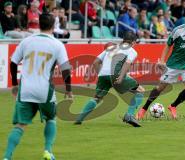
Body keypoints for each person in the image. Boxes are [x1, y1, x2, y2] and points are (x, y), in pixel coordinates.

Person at [2, 13, 73, 160]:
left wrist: (15, 84)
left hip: (25, 89)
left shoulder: (26, 41)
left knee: (20, 125)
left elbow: (13, 62)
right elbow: (66, 68)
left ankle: (7, 157)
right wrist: (68, 89)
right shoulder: (57, 44)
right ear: (53, 26)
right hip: (44, 89)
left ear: (39, 24)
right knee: (51, 118)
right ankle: (47, 151)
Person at [136, 10, 185, 120]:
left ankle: (173, 106)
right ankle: (144, 109)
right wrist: (162, 61)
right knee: (160, 88)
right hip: (172, 65)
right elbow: (168, 45)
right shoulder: (178, 30)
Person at [75, 31, 145, 127]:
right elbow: (127, 63)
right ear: (133, 42)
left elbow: (96, 62)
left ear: (123, 40)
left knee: (97, 98)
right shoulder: (131, 50)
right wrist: (120, 77)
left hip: (103, 74)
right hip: (116, 74)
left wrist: (101, 74)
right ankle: (129, 115)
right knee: (140, 91)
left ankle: (79, 118)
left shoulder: (111, 47)